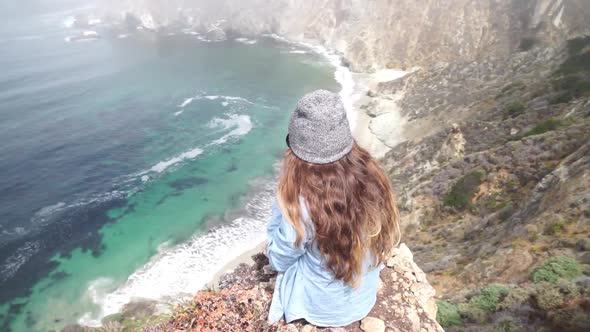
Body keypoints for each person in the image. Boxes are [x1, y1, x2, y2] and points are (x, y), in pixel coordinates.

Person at [267, 89, 402, 327]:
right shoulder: (373, 178)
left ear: (297, 152)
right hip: (362, 300)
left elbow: (279, 260)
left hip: (319, 307)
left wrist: (281, 211)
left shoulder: (303, 202)